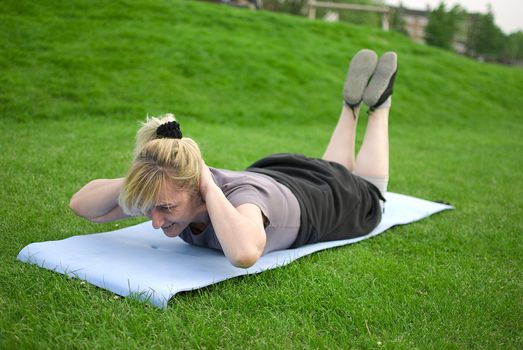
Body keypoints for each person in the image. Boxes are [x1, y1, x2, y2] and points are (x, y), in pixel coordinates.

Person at [70, 49, 398, 268]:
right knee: (335, 169)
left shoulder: (238, 200)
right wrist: (138, 181)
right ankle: (350, 106)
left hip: (331, 200)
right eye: (152, 208)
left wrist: (210, 189)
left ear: (197, 187)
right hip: (282, 173)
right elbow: (82, 206)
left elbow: (244, 253)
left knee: (370, 192)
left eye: (166, 209)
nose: (155, 221)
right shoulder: (169, 188)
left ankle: (378, 106)